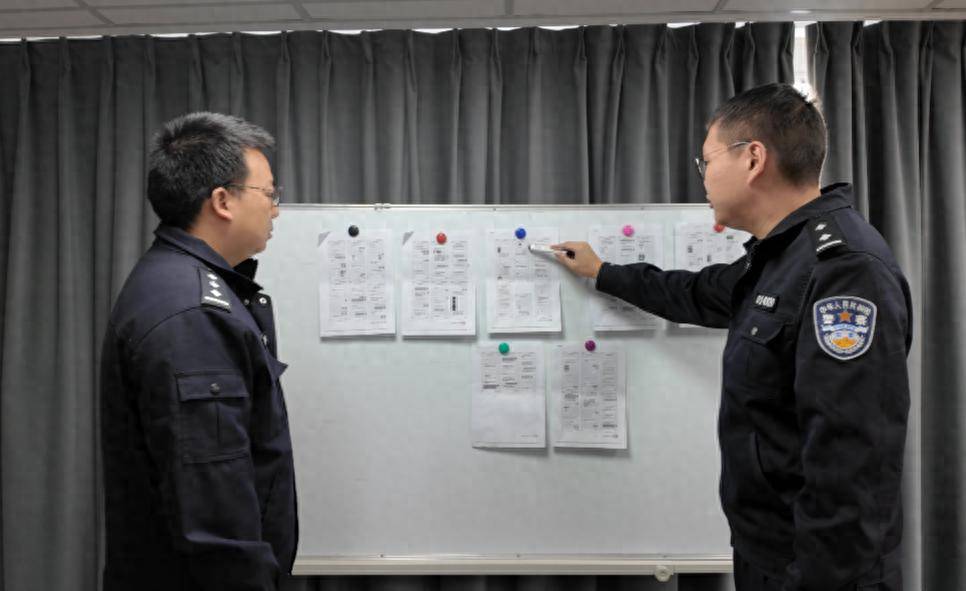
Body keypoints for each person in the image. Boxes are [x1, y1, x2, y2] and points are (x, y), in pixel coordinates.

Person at [553, 83, 911, 591]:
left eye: (707, 161)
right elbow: (696, 293)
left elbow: (851, 466)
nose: (703, 177)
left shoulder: (843, 270)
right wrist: (602, 272)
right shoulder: (780, 257)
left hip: (815, 571)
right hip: (767, 554)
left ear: (753, 159)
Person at [100, 112, 297, 590]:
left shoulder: (180, 284)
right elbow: (214, 508)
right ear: (222, 201)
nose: (275, 210)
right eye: (269, 194)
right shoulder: (193, 313)